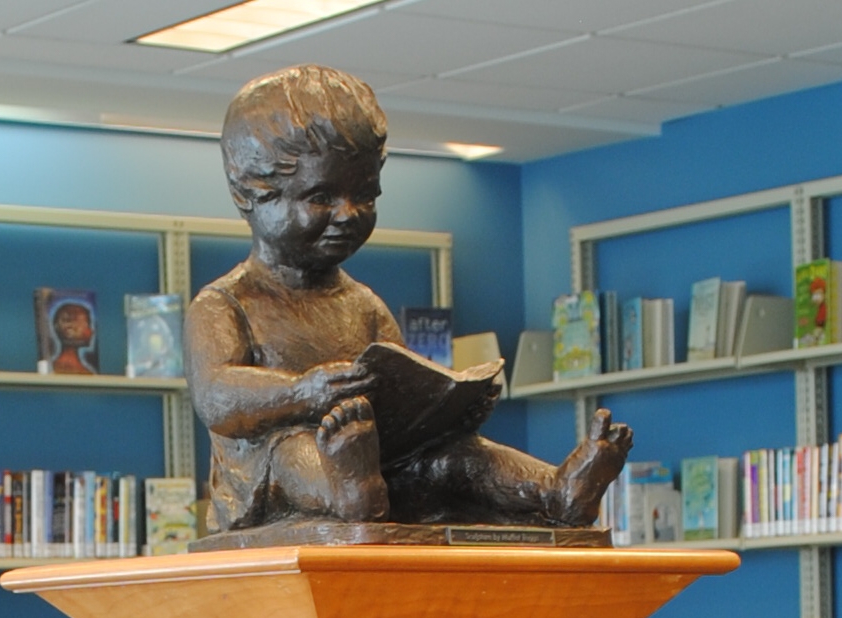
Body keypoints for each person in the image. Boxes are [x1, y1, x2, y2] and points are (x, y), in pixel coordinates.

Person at [185, 64, 633, 535]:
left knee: (456, 456)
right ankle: (348, 490)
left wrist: (449, 406)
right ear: (251, 195)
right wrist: (303, 393)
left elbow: (402, 388)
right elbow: (217, 395)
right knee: (295, 452)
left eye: (365, 196)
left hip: (383, 457)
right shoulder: (225, 304)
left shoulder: (362, 305)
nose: (348, 215)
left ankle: (552, 490)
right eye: (320, 197)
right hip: (277, 469)